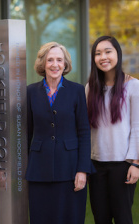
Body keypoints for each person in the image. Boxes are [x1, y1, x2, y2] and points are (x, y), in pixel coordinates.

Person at [25, 42, 94, 224]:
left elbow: (84, 132)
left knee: (70, 218)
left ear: (65, 64)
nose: (55, 64)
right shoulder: (30, 92)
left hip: (70, 169)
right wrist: (23, 167)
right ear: (43, 63)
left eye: (59, 60)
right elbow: (26, 133)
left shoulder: (77, 90)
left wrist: (83, 170)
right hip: (39, 170)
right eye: (50, 60)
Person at [86, 35, 139, 224]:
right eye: (98, 53)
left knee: (123, 217)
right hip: (96, 165)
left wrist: (135, 163)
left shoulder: (133, 86)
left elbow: (137, 127)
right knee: (100, 218)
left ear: (118, 54)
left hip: (122, 164)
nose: (103, 57)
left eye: (108, 51)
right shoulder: (90, 89)